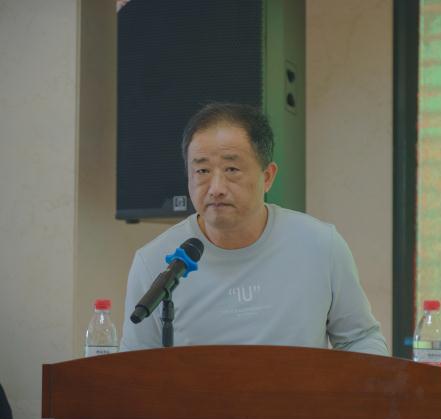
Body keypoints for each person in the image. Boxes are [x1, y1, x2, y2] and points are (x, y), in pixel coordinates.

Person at [120, 103, 388, 356]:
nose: (216, 188)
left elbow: (360, 339)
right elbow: (134, 367)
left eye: (231, 169)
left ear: (267, 177)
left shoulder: (320, 245)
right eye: (202, 171)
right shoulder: (154, 262)